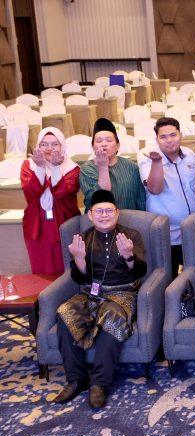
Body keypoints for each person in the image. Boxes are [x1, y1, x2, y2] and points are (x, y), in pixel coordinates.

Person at [52, 190, 147, 409]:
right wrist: (79, 259)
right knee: (64, 312)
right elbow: (79, 278)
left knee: (112, 317)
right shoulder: (83, 238)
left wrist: (129, 256)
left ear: (117, 213)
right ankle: (76, 379)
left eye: (109, 210)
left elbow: (140, 272)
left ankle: (99, 383)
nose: (104, 215)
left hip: (123, 294)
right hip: (90, 294)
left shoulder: (131, 236)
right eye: (99, 211)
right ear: (90, 215)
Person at [138, 117, 195, 278]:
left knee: (194, 274)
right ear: (156, 139)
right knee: (168, 277)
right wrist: (157, 162)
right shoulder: (147, 156)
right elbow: (155, 189)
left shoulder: (189, 154)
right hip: (167, 231)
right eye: (163, 137)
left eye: (173, 135)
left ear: (181, 135)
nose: (169, 140)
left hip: (192, 227)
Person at [20, 127, 80, 274]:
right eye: (44, 144)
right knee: (41, 268)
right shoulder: (28, 165)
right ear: (38, 146)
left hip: (64, 221)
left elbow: (62, 193)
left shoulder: (72, 168)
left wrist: (55, 168)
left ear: (62, 145)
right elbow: (31, 192)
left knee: (65, 266)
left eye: (55, 144)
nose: (49, 148)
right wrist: (40, 168)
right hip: (36, 224)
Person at [80, 118, 146, 210]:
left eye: (109, 140)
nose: (104, 144)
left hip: (130, 217)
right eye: (99, 141)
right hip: (100, 218)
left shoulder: (131, 167)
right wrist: (103, 167)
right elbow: (100, 198)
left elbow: (141, 199)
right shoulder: (87, 168)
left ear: (118, 145)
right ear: (93, 147)